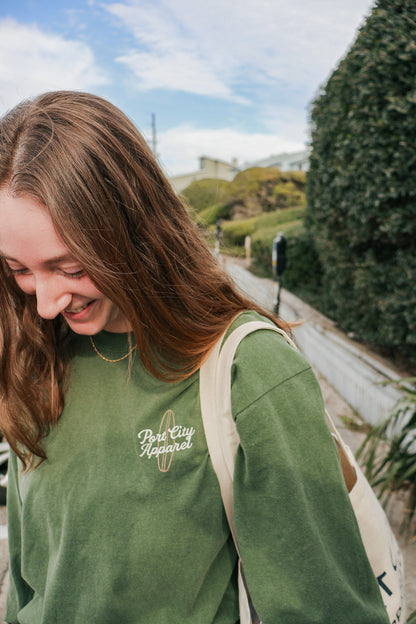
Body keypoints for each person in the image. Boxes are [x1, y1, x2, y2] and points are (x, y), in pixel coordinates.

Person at [0, 91, 389, 624]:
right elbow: (25, 580)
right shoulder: (33, 355)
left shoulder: (247, 368)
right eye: (19, 269)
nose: (43, 305)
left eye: (69, 268)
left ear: (133, 230)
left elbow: (326, 609)